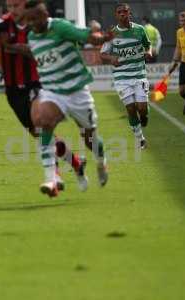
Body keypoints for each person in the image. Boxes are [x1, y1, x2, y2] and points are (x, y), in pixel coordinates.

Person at [0, 0, 88, 195]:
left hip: (38, 84)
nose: (12, 10)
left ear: (25, 5)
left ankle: (53, 177)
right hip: (13, 91)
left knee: (41, 125)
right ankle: (75, 162)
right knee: (39, 134)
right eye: (9, 6)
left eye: (16, 6)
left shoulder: (37, 25)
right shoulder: (1, 24)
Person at [25, 0, 111, 196]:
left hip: (77, 91)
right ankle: (50, 178)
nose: (35, 21)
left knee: (90, 138)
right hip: (53, 92)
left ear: (45, 14)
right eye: (31, 19)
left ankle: (101, 162)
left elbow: (86, 36)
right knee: (43, 122)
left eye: (38, 16)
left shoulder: (61, 27)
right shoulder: (32, 37)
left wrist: (100, 37)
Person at [100, 3, 152, 149]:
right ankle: (140, 138)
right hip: (122, 77)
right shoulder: (112, 34)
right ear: (116, 15)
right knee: (130, 108)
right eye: (119, 12)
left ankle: (144, 115)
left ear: (130, 13)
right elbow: (103, 53)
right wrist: (111, 59)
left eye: (125, 11)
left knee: (142, 108)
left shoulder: (140, 30)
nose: (122, 14)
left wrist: (149, 52)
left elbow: (148, 45)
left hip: (139, 74)